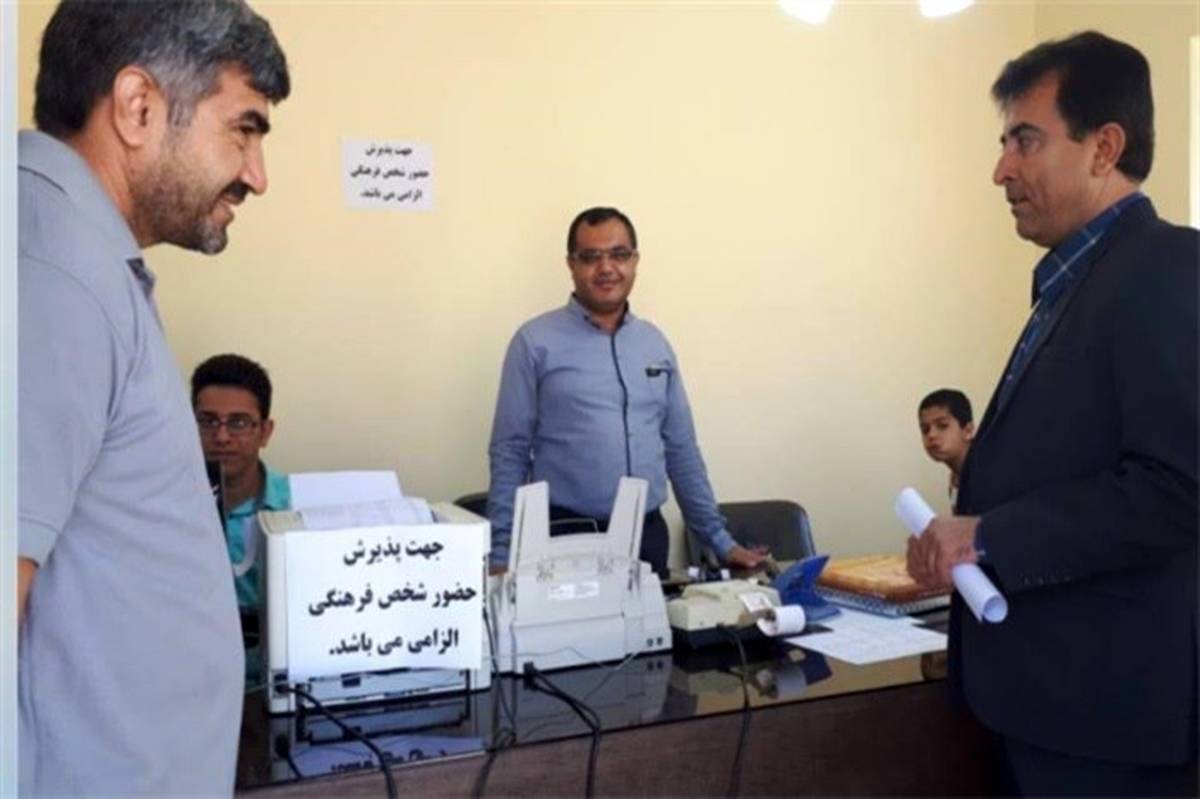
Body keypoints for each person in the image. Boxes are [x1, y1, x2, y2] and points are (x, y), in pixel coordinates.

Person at [906, 32, 1197, 795]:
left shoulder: (1166, 268)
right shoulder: (1077, 281)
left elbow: (1177, 489)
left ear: (1104, 147)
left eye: (1025, 141)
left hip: (1105, 723)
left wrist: (986, 535)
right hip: (1043, 705)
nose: (1002, 169)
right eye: (1004, 144)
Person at [16, 1, 290, 793]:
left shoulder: (75, 255)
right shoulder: (53, 272)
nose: (257, 175)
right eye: (243, 128)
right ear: (138, 107)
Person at [487, 207, 767, 577]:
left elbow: (682, 450)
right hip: (567, 535)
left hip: (647, 537)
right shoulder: (534, 342)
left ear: (635, 261)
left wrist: (721, 542)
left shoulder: (654, 343)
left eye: (619, 254)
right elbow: (510, 452)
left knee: (657, 617)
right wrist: (501, 555)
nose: (606, 268)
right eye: (591, 257)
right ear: (571, 264)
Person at [192, 353, 290, 684]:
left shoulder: (295, 507)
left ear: (265, 432)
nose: (221, 437)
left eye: (239, 423)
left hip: (274, 689)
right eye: (208, 422)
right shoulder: (162, 511)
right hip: (192, 684)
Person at [917, 388, 974, 503]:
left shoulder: (993, 472)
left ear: (968, 431)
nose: (931, 435)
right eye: (925, 429)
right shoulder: (955, 478)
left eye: (942, 425)